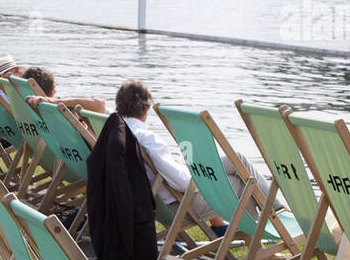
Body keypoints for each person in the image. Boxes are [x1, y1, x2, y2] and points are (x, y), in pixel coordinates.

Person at [113, 80, 268, 233]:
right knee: (242, 182)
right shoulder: (147, 138)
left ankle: (269, 213)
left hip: (153, 203)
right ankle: (266, 226)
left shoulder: (116, 132)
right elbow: (182, 183)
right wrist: (192, 167)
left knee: (237, 161)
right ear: (146, 109)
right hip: (177, 206)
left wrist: (180, 163)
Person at [21, 66, 108, 113]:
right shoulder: (57, 111)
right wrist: (54, 102)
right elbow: (100, 104)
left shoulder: (21, 105)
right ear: (53, 91)